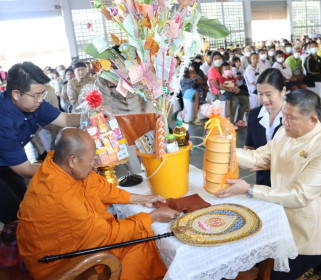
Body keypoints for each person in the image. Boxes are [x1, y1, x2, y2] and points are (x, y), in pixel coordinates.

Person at [17, 128, 179, 280]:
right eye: (91, 158)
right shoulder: (62, 198)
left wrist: (143, 199)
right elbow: (109, 235)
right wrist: (153, 217)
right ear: (72, 160)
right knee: (141, 244)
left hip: (74, 242)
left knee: (141, 234)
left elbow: (100, 188)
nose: (94, 163)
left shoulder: (57, 165)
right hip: (60, 266)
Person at [216, 89, 321, 279]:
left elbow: (299, 195)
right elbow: (260, 157)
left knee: (274, 276)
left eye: (291, 118)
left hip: (306, 226)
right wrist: (225, 149)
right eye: (284, 115)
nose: (284, 123)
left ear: (313, 120)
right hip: (277, 212)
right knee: (247, 259)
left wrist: (250, 190)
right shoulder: (283, 132)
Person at [0, 62, 81, 225]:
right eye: (35, 95)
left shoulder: (34, 103)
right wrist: (68, 169)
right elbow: (26, 169)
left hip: (9, 162)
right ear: (16, 94)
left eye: (42, 94)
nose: (40, 100)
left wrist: (89, 114)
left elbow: (65, 119)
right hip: (10, 163)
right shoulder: (3, 122)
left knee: (24, 204)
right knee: (12, 215)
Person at [244, 68, 285, 186]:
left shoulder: (293, 116)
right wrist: (246, 159)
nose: (264, 99)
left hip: (286, 181)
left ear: (283, 91)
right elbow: (249, 146)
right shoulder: (254, 114)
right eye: (260, 94)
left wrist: (273, 165)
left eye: (269, 94)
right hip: (262, 181)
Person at [208, 52, 249, 127]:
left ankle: (239, 120)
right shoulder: (212, 71)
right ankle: (230, 122)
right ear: (212, 60)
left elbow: (233, 81)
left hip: (230, 91)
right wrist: (231, 89)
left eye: (219, 58)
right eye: (215, 59)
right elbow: (217, 86)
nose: (217, 60)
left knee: (245, 99)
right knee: (235, 100)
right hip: (219, 93)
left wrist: (235, 88)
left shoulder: (225, 68)